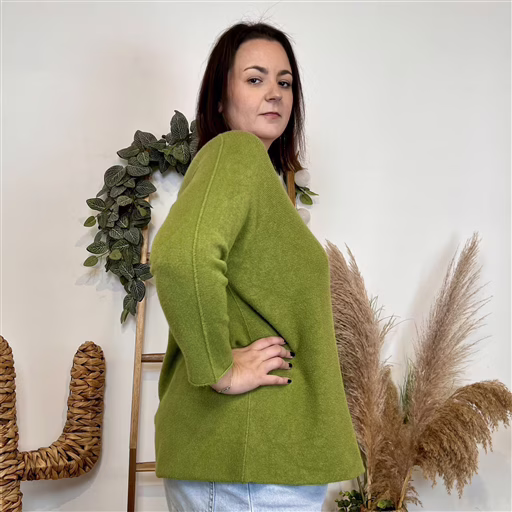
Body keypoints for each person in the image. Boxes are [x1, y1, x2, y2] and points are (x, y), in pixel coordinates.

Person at [150, 20, 365, 512]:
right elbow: (180, 257)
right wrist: (221, 370)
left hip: (252, 460)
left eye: (284, 82)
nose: (274, 93)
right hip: (246, 460)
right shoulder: (236, 151)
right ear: (219, 99)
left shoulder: (258, 179)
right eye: (255, 79)